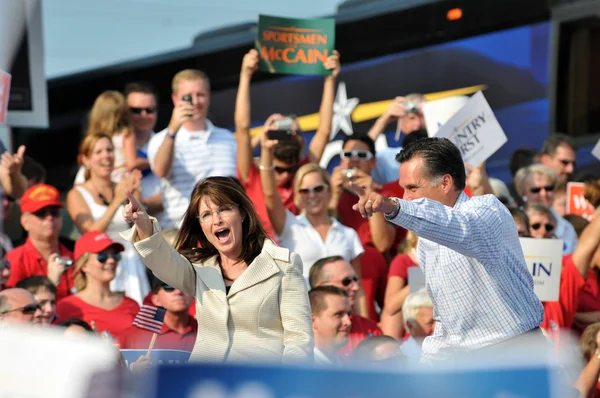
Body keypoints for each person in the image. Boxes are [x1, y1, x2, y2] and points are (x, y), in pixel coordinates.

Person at [350, 137, 544, 362]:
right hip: (468, 364)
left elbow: (458, 227)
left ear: (445, 183)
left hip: (518, 357)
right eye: (403, 190)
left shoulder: (487, 210)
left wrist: (392, 206)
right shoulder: (425, 241)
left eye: (412, 188)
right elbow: (447, 320)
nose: (405, 197)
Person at [120, 176, 313, 363]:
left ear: (243, 214)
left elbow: (299, 341)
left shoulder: (283, 266)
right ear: (201, 226)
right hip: (205, 384)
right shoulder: (200, 270)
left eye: (224, 209)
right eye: (206, 215)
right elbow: (163, 262)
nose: (216, 220)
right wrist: (144, 225)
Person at [147, 69, 236, 229]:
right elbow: (161, 171)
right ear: (175, 99)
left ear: (208, 96)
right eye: (187, 97)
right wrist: (172, 130)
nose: (195, 102)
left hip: (226, 231)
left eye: (200, 95)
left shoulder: (227, 138)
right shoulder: (161, 140)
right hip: (183, 232)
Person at [67, 132, 149, 304]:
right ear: (86, 160)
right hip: (99, 264)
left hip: (129, 261)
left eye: (109, 150)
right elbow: (90, 232)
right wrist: (117, 201)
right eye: (99, 152)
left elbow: (144, 229)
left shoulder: (124, 186)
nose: (106, 156)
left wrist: (137, 196)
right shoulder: (77, 193)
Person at [54, 231, 140, 342]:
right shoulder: (66, 307)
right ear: (84, 265)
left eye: (115, 255)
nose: (111, 260)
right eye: (102, 256)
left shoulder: (132, 305)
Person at [7, 184, 75, 300]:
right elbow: (15, 308)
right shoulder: (14, 260)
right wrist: (51, 282)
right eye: (41, 213)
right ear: (25, 222)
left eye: (54, 212)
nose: (49, 218)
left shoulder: (75, 252)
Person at [74, 91, 137, 184]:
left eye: (109, 150)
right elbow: (132, 163)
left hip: (96, 179)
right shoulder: (126, 133)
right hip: (120, 178)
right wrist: (150, 161)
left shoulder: (91, 136)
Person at [309, 285, 352, 366]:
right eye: (338, 314)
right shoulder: (300, 367)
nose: (348, 322)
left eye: (349, 314)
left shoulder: (342, 365)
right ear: (312, 321)